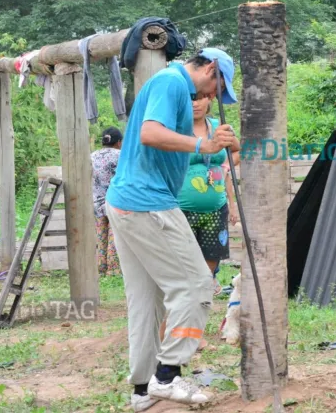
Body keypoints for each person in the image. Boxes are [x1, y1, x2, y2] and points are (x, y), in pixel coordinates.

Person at [105, 47, 238, 411]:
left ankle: (142, 389)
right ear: (210, 69)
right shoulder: (172, 83)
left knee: (146, 300)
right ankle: (167, 376)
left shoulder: (171, 84)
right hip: (148, 201)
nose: (212, 96)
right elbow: (150, 133)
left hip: (126, 200)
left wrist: (216, 143)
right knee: (197, 284)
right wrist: (203, 144)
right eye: (218, 87)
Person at [158, 96, 241, 347]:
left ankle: (194, 334)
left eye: (200, 98)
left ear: (210, 99)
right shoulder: (174, 130)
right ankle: (167, 332)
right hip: (179, 211)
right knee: (181, 276)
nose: (195, 103)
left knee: (205, 277)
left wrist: (225, 167)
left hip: (215, 212)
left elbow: (237, 150)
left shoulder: (220, 128)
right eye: (190, 98)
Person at [91, 127, 123, 277]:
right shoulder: (120, 155)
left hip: (96, 202)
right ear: (119, 142)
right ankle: (113, 269)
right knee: (114, 233)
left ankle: (100, 267)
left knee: (101, 234)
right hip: (115, 201)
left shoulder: (92, 156)